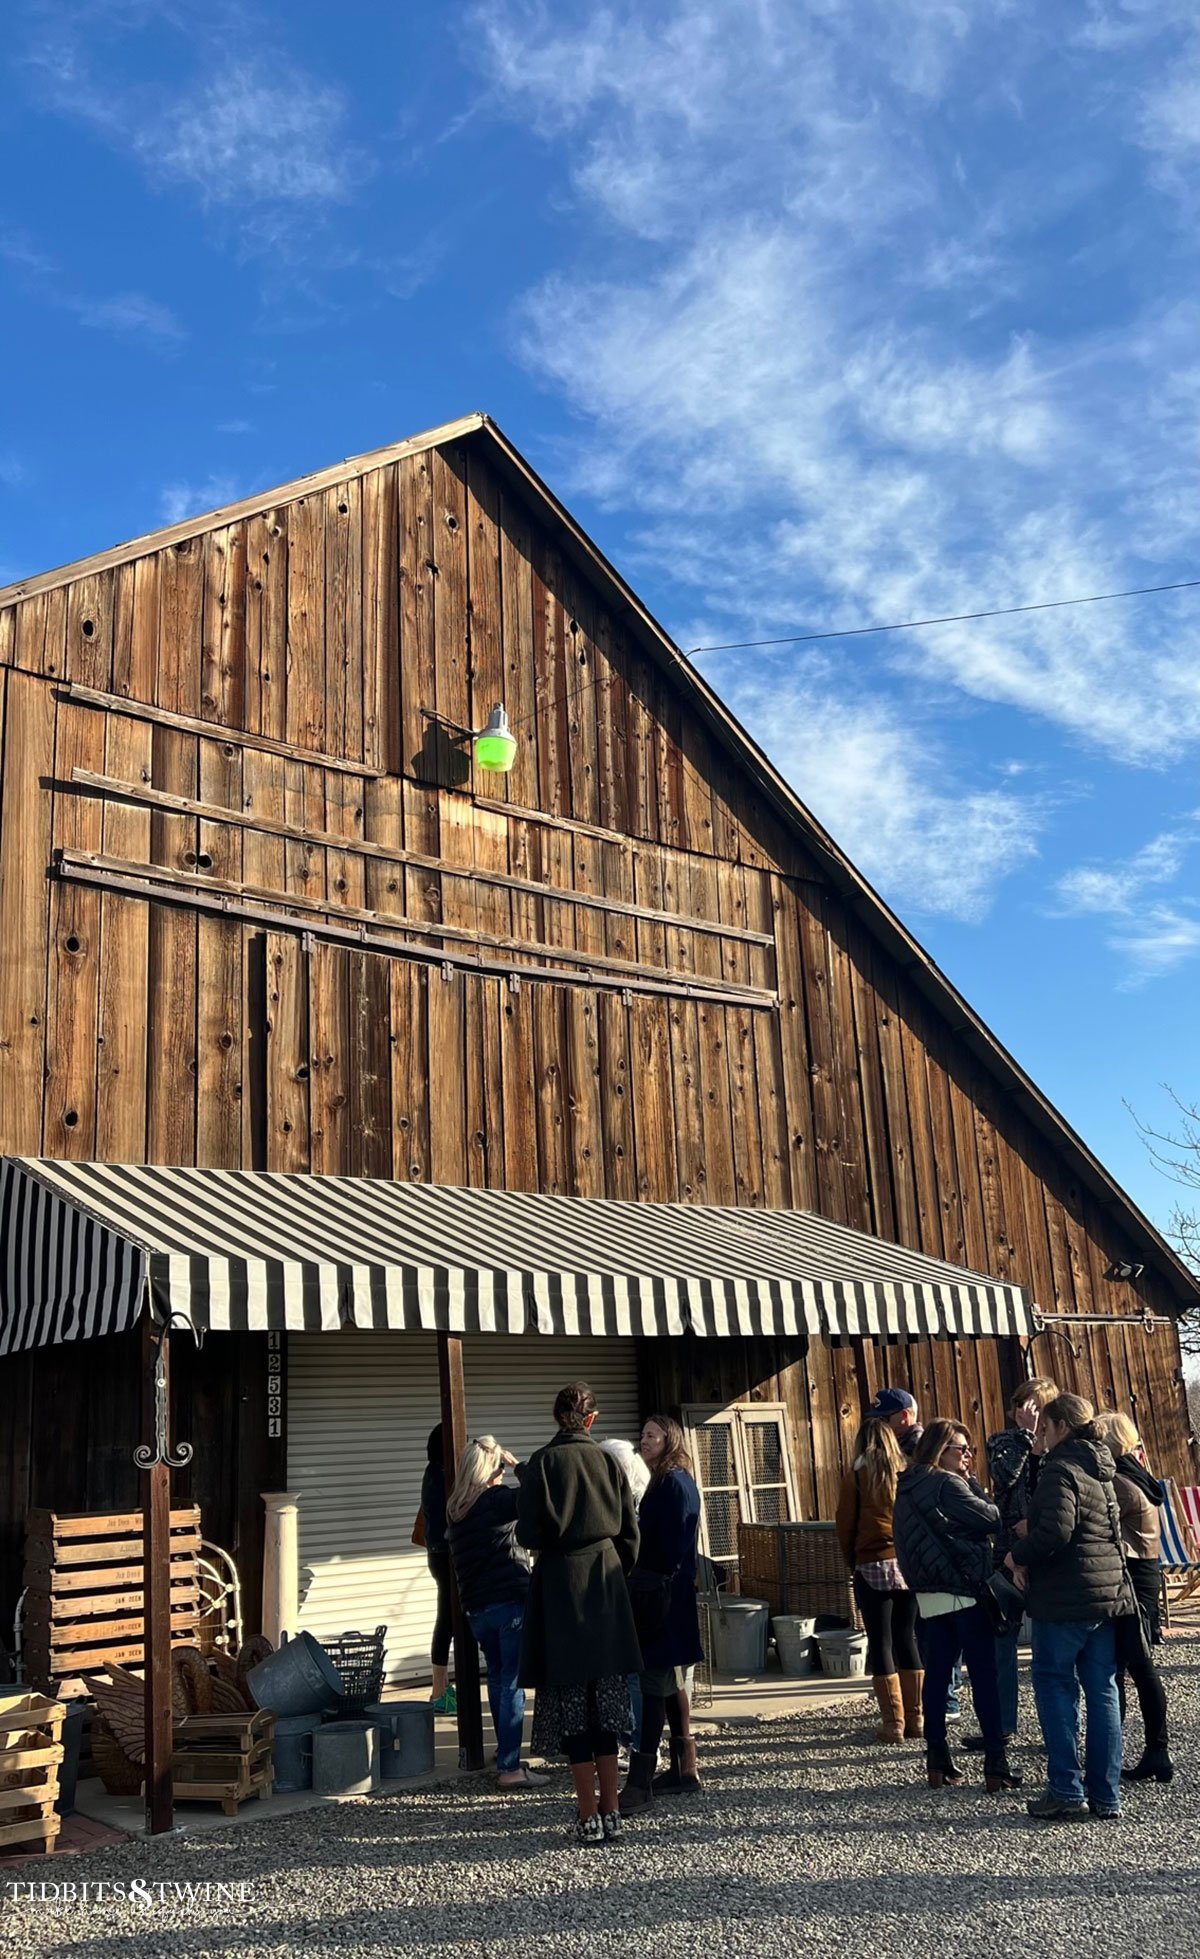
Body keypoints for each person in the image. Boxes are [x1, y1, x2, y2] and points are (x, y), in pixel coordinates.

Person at [518, 1382, 642, 1847]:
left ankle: (587, 1813)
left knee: (574, 1708)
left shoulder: (542, 1464)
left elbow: (529, 1532)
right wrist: (614, 1569)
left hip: (560, 1585)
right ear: (591, 1419)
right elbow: (631, 1532)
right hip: (606, 1583)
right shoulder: (610, 1461)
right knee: (607, 1707)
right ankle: (611, 1810)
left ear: (557, 1418)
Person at [1005, 1393, 1129, 1822]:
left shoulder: (1062, 1470)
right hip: (1106, 1595)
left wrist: (1018, 1553)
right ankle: (1107, 1795)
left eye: (1044, 1429)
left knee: (1056, 1685)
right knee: (1103, 1691)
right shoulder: (1101, 1469)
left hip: (1064, 1597)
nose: (1040, 1436)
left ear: (1059, 1427)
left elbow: (1056, 1533)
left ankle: (1065, 1788)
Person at [893, 1419, 1020, 1794]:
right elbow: (992, 1518)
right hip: (963, 1589)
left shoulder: (906, 1487)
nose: (967, 1456)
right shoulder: (948, 1483)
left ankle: (937, 1759)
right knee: (983, 1675)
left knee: (937, 1673)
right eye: (961, 1449)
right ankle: (996, 1762)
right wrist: (975, 1483)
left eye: (969, 1450)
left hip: (928, 1591)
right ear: (940, 1450)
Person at [960, 1376, 1058, 1753]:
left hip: (1048, 1552)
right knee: (1000, 1639)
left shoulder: (1061, 1446)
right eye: (1019, 1403)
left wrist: (1042, 1439)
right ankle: (999, 1727)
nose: (1023, 1410)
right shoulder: (1003, 1442)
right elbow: (1004, 1480)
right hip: (1006, 1552)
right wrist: (1024, 1437)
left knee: (1053, 1645)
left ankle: (1060, 1727)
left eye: (1031, 1405)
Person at [445, 1435, 547, 1790]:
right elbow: (537, 1495)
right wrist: (518, 1463)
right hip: (509, 1601)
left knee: (499, 1679)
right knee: (513, 1684)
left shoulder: (456, 1506)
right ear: (492, 1469)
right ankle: (509, 1766)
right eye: (500, 1467)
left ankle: (504, 1752)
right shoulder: (496, 1500)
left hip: (476, 1608)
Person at [620, 1414, 704, 1813]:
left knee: (654, 1684)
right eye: (642, 1435)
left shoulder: (672, 1484)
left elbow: (669, 1546)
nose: (645, 1440)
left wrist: (648, 1580)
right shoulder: (670, 1480)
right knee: (671, 1682)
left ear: (669, 1439)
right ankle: (684, 1769)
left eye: (652, 1434)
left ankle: (639, 1783)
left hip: (661, 1598)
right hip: (668, 1595)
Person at [1093, 1411, 1173, 1784]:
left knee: (1131, 1667)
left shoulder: (1120, 1483)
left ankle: (1149, 1749)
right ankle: (1148, 1749)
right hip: (1144, 1573)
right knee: (1133, 1667)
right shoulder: (1139, 1476)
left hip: (1132, 1576)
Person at [835, 1417, 923, 1745]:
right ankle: (917, 1719)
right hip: (906, 1564)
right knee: (907, 1638)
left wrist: (852, 1561)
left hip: (872, 1563)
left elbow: (845, 1525)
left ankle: (893, 1724)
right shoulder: (908, 1473)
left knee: (881, 1642)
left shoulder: (857, 1475)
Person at [599, 1437, 652, 1756]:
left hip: (625, 1596)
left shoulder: (625, 1507)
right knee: (629, 1674)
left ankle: (633, 1740)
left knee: (629, 1674)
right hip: (627, 1596)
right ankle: (632, 1739)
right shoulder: (639, 1497)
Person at [421, 1424, 456, 1716]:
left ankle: (441, 1688)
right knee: (448, 1619)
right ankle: (440, 1691)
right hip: (447, 1555)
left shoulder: (432, 1472)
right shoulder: (444, 1476)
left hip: (437, 1554)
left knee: (447, 1617)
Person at [866, 1386, 923, 1457]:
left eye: (884, 1418)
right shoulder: (901, 1441)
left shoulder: (918, 1446)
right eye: (878, 1419)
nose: (881, 1424)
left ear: (904, 1415)